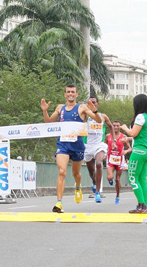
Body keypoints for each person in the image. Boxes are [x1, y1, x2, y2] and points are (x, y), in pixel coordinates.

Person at [40, 83, 102, 213]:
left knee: (76, 174)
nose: (70, 94)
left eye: (73, 92)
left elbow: (98, 120)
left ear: (76, 94)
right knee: (62, 171)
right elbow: (49, 123)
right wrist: (45, 110)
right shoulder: (60, 108)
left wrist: (94, 110)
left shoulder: (82, 108)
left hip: (77, 145)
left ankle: (78, 187)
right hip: (63, 144)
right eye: (68, 92)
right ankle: (59, 203)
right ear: (65, 94)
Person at [120, 93, 147, 214]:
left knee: (132, 177)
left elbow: (133, 133)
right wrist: (128, 139)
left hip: (139, 151)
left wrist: (125, 128)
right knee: (141, 179)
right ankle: (144, 205)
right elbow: (140, 136)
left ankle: (141, 205)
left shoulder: (140, 117)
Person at [82, 96, 112, 203]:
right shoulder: (86, 115)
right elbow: (80, 124)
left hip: (99, 145)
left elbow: (111, 126)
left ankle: (98, 193)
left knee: (99, 164)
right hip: (88, 146)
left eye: (94, 102)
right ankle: (94, 182)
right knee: (91, 171)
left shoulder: (103, 116)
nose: (92, 104)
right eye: (90, 103)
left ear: (97, 104)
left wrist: (112, 140)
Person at [105, 119, 131, 205]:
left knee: (118, 179)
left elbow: (130, 148)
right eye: (114, 126)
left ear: (119, 127)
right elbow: (104, 145)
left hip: (120, 160)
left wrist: (126, 151)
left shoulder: (123, 137)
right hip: (110, 159)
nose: (116, 127)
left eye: (117, 126)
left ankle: (117, 196)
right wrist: (104, 152)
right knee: (110, 177)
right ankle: (110, 180)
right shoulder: (108, 136)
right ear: (111, 126)